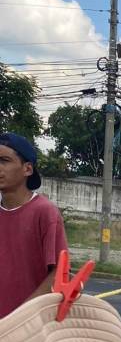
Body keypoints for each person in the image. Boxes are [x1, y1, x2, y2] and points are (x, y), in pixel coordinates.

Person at [0, 132, 68, 319]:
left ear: (27, 169)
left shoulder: (44, 212)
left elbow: (59, 273)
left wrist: (20, 316)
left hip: (28, 326)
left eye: (4, 160)